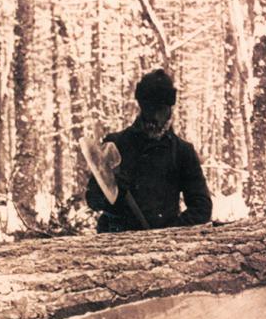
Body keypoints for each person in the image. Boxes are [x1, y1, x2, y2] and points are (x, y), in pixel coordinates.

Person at [86, 69, 212, 232]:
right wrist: (112, 195)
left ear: (169, 110)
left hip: (164, 247)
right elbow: (93, 199)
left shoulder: (182, 152)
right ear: (141, 106)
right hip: (116, 241)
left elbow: (201, 207)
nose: (154, 117)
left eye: (160, 109)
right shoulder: (116, 145)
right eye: (149, 108)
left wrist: (171, 233)